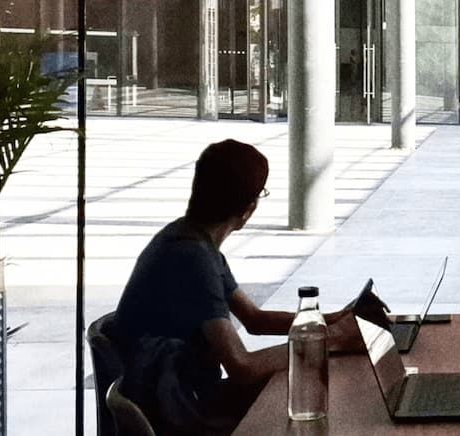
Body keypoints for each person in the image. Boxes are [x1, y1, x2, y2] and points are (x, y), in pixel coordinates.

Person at [112, 139, 364, 434]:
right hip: (180, 413)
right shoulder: (191, 257)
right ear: (249, 208)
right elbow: (241, 367)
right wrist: (329, 341)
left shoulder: (188, 239)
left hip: (179, 396)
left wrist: (331, 321)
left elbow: (255, 320)